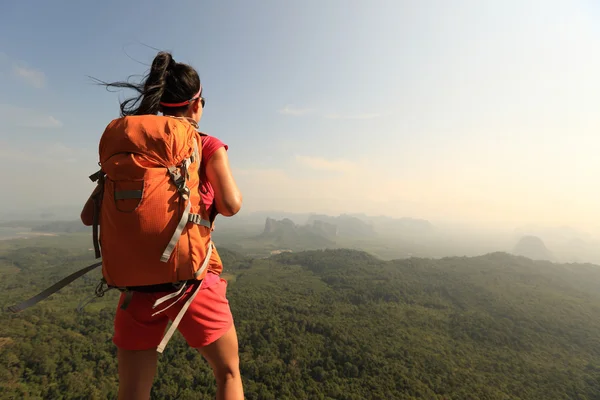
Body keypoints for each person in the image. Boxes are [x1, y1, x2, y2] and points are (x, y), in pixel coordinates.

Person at [82, 51, 244, 400]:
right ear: (196, 104)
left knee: (133, 391)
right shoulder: (205, 144)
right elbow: (231, 205)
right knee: (228, 373)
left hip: (137, 290)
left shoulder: (134, 148)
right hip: (192, 282)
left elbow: (87, 216)